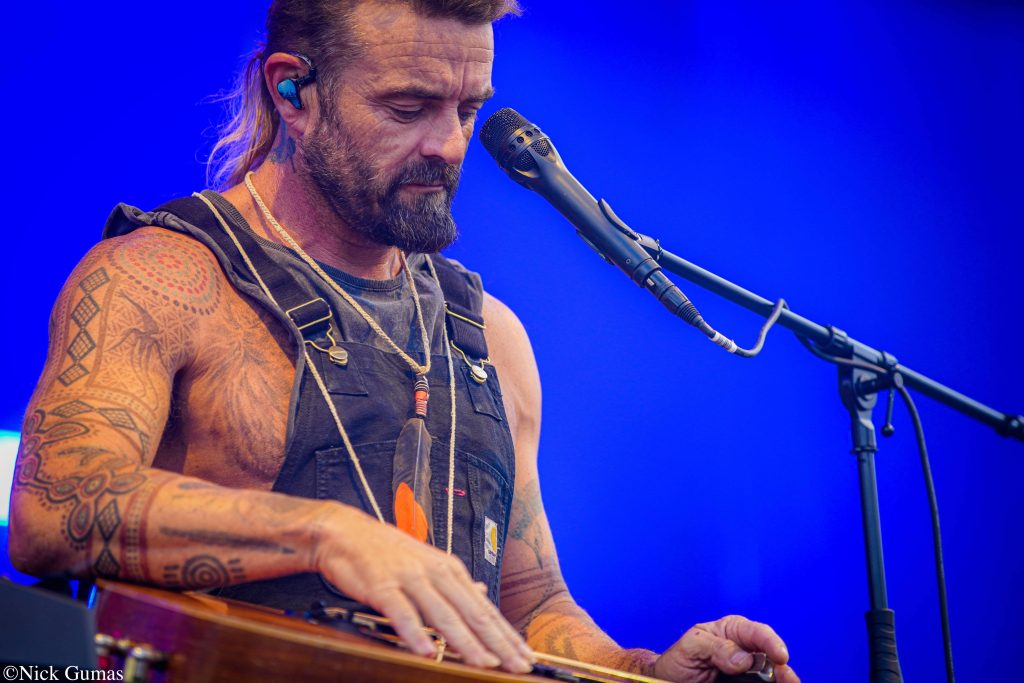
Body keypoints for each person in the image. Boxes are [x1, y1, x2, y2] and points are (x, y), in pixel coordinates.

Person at [9, 1, 798, 681]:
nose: (450, 144)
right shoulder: (162, 279)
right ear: (293, 93)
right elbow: (53, 508)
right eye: (408, 107)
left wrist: (646, 671)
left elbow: (530, 607)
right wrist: (325, 533)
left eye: (467, 108)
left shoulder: (492, 337)